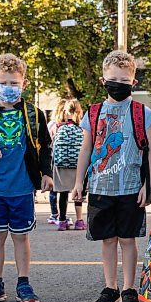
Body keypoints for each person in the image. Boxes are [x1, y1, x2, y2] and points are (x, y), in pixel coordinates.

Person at [71, 50, 151, 302]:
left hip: (131, 187)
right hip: (100, 186)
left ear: (134, 82)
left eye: (124, 79)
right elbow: (85, 150)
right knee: (108, 240)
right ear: (102, 81)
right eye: (113, 79)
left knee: (128, 239)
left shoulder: (143, 113)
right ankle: (111, 287)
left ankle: (129, 288)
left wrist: (149, 184)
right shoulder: (93, 112)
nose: (118, 84)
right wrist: (78, 182)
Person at [0, 53, 53, 302]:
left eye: (14, 83)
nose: (8, 88)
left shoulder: (34, 114)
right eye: (3, 82)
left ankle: (23, 283)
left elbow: (45, 146)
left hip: (22, 187)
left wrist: (46, 173)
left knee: (20, 237)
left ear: (24, 84)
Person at [51, 98, 85, 231]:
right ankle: (79, 221)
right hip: (77, 164)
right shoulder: (81, 127)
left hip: (61, 164)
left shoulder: (58, 126)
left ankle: (62, 221)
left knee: (62, 193)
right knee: (78, 192)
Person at [46, 100, 65, 226]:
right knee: (63, 188)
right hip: (65, 158)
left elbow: (46, 141)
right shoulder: (70, 125)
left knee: (53, 188)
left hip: (52, 157)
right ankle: (62, 214)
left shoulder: (52, 124)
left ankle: (54, 213)